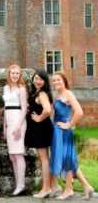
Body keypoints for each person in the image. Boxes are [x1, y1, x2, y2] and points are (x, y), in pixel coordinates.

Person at [49, 71, 95, 200]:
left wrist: (69, 125)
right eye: (54, 80)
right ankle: (87, 186)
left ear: (64, 81)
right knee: (70, 160)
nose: (56, 82)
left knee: (66, 161)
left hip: (63, 131)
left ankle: (68, 190)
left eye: (58, 80)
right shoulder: (59, 95)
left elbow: (79, 112)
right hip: (57, 131)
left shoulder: (68, 94)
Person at [24, 70, 54, 198]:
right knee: (46, 159)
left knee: (44, 160)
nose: (37, 81)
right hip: (41, 128)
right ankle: (54, 186)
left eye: (41, 79)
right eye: (35, 78)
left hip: (40, 128)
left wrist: (39, 118)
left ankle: (45, 189)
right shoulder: (37, 92)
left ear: (45, 81)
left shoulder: (41, 93)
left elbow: (48, 109)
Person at [3, 64, 28, 196]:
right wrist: (5, 126)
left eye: (17, 73)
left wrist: (18, 125)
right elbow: (6, 108)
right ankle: (19, 184)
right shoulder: (6, 88)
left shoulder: (21, 89)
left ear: (19, 75)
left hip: (19, 121)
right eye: (13, 73)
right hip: (9, 120)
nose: (14, 75)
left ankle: (21, 184)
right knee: (12, 156)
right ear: (9, 74)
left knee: (18, 153)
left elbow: (24, 108)